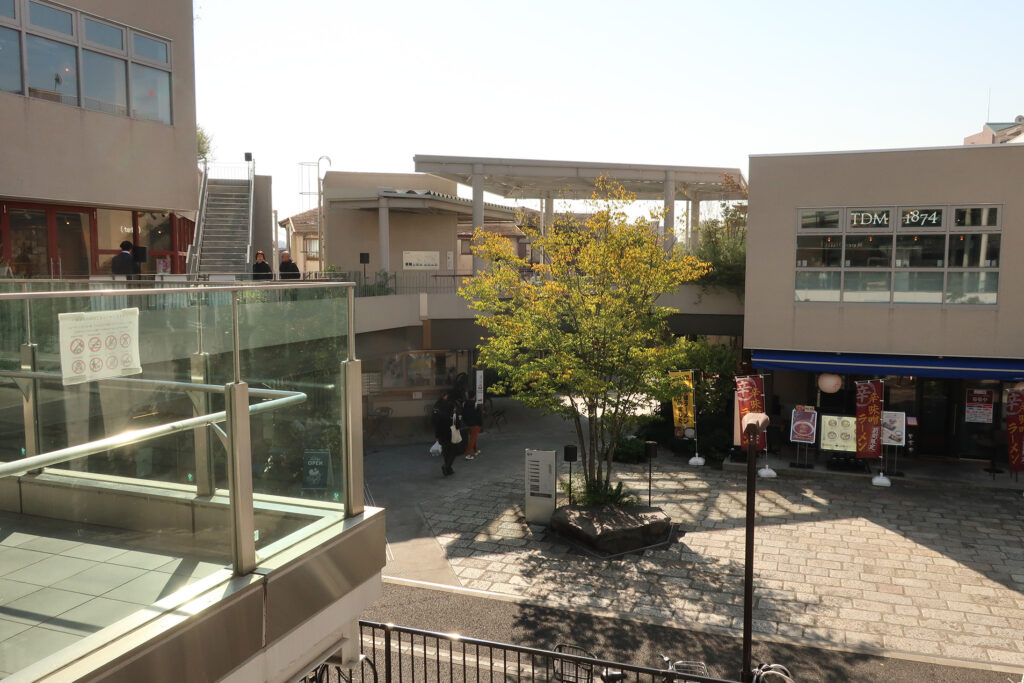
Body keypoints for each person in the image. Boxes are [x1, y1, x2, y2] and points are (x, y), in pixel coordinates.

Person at [432, 391, 461, 476]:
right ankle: (447, 466)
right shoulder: (452, 409)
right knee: (453, 450)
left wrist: (437, 435)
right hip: (451, 432)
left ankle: (448, 469)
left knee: (445, 451)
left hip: (441, 433)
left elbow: (436, 423)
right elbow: (457, 423)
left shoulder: (437, 408)